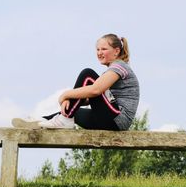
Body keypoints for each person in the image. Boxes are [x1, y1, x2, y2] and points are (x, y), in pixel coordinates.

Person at [12, 33, 140, 131]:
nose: (99, 53)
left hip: (117, 119)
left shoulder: (120, 67)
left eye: (104, 49)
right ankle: (38, 122)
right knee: (74, 112)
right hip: (110, 119)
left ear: (116, 51)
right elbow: (91, 99)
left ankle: (64, 119)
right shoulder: (111, 72)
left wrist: (66, 95)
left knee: (87, 75)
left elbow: (95, 90)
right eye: (97, 49)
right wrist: (71, 100)